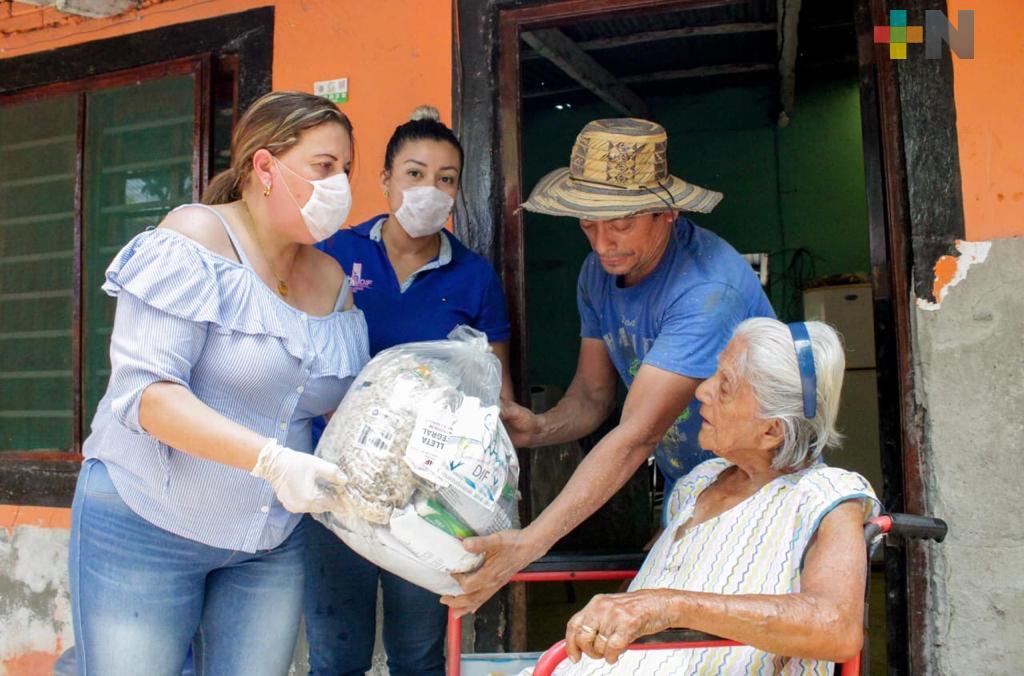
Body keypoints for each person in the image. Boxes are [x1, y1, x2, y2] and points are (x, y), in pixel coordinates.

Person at [67, 91, 369, 676]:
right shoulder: (197, 236)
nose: (341, 186)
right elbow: (149, 396)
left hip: (267, 544)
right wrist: (275, 462)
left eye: (347, 171)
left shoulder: (333, 281)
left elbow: (337, 410)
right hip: (147, 519)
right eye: (324, 167)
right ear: (264, 167)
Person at [445, 117, 775, 614]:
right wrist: (536, 428)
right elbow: (593, 398)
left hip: (759, 492)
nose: (603, 244)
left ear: (668, 213)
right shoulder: (597, 274)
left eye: (620, 225)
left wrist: (529, 544)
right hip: (692, 489)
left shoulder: (706, 289)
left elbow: (636, 434)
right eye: (588, 224)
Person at [539, 318, 879, 674]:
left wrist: (667, 606)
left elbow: (836, 627)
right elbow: (657, 580)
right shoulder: (699, 482)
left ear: (771, 430)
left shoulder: (825, 497)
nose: (703, 390)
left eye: (725, 386)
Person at [301, 105, 512, 676]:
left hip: (426, 497)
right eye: (415, 173)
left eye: (446, 179)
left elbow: (491, 392)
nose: (430, 190)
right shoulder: (334, 253)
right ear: (386, 180)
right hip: (331, 483)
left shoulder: (474, 277)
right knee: (335, 654)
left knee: (418, 655)